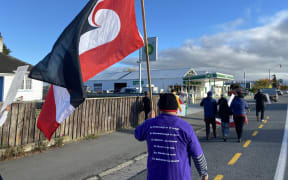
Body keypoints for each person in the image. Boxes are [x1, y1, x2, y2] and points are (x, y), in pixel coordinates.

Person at [135, 93, 208, 180]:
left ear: (158, 108)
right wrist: (204, 173)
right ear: (176, 109)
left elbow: (138, 134)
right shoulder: (185, 127)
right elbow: (197, 154)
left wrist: (149, 120)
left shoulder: (150, 124)